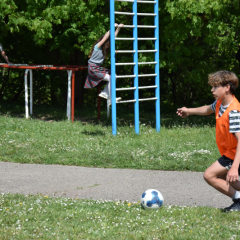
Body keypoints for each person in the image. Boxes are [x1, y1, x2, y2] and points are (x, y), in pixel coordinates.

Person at [177, 70, 240, 211]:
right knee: (229, 179)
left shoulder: (234, 112)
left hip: (234, 154)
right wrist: (188, 111)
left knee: (209, 175)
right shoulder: (219, 103)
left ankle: (238, 200)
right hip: (229, 152)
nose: (212, 90)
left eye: (215, 86)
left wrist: (235, 167)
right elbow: (207, 109)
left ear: (227, 88)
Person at [84, 23, 124, 104]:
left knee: (114, 76)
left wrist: (118, 29)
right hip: (93, 69)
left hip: (98, 68)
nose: (107, 46)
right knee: (110, 78)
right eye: (106, 44)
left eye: (108, 45)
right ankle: (112, 98)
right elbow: (106, 37)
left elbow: (112, 38)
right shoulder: (97, 47)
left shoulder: (105, 50)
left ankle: (105, 92)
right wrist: (112, 27)